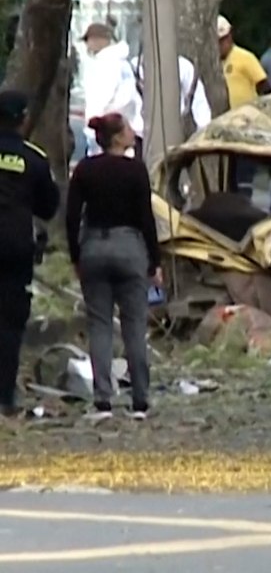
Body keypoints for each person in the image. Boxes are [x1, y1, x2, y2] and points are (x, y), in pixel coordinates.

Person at [65, 113, 160, 421]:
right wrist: (154, 261)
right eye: (129, 128)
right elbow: (146, 217)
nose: (134, 132)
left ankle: (103, 399)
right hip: (130, 246)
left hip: (94, 245)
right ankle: (140, 400)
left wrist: (76, 255)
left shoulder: (85, 169)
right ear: (118, 138)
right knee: (134, 325)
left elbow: (71, 215)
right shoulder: (136, 171)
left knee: (100, 324)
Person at [0, 91, 60, 418]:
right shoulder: (33, 158)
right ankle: (4, 398)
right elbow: (48, 206)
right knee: (9, 325)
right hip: (15, 249)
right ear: (23, 119)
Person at [80, 22, 141, 158]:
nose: (87, 45)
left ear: (99, 40)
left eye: (87, 40)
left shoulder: (106, 63)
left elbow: (101, 98)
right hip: (125, 128)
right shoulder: (122, 62)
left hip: (109, 131)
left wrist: (92, 125)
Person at [130, 50, 211, 138]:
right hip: (141, 136)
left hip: (175, 131)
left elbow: (200, 104)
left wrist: (204, 134)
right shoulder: (133, 69)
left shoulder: (182, 66)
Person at [218, 15, 271, 111]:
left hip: (247, 117)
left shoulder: (245, 57)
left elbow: (264, 87)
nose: (220, 45)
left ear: (230, 37)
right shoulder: (214, 64)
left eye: (223, 40)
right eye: (217, 42)